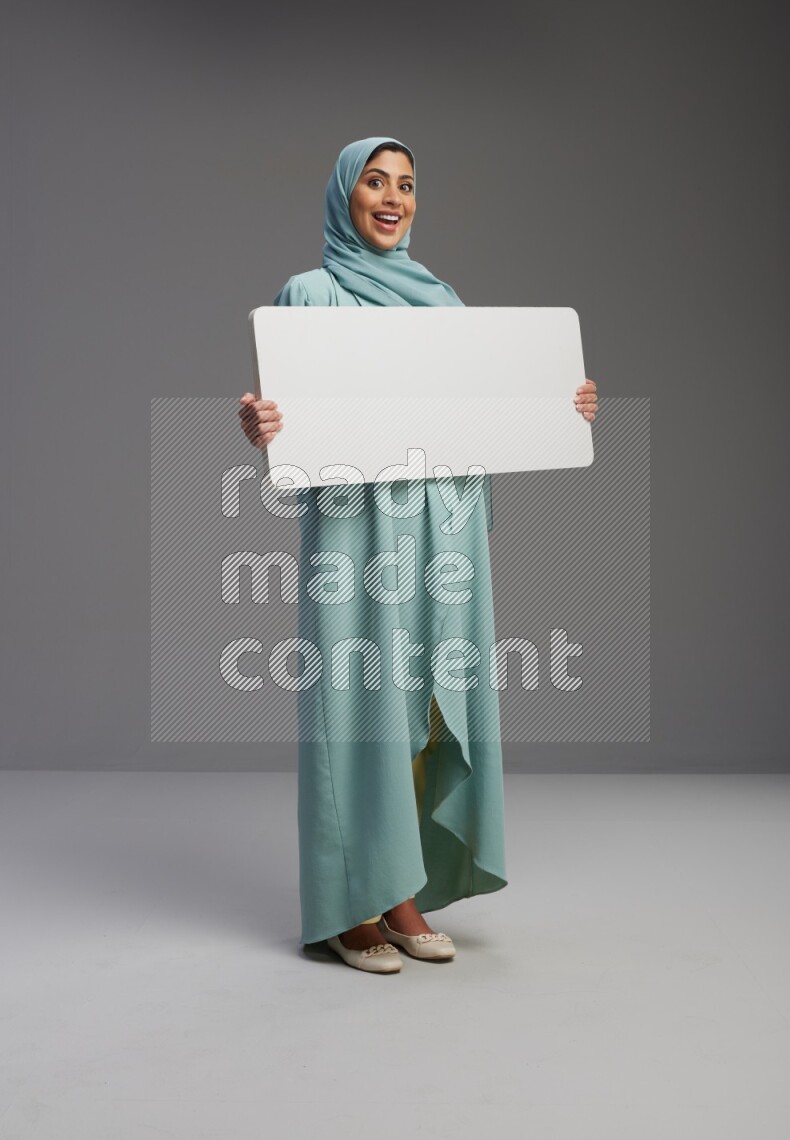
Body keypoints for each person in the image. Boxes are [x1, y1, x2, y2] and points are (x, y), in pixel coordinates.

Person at [239, 136, 599, 974]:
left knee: (428, 707)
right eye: (375, 182)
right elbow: (284, 416)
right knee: (357, 708)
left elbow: (485, 409)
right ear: (345, 196)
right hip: (356, 531)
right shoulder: (311, 294)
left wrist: (562, 402)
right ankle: (348, 905)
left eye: (407, 185)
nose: (393, 198)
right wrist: (256, 426)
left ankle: (401, 893)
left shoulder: (443, 301)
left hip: (446, 527)